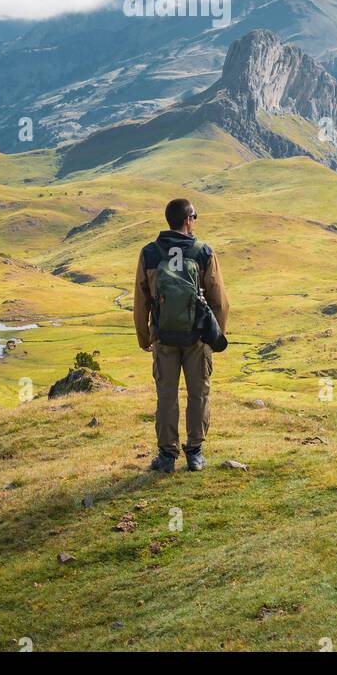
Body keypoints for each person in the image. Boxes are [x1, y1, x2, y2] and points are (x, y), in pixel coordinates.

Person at [133, 198, 229, 473]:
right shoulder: (203, 252)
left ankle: (166, 456)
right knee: (198, 394)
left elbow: (141, 300)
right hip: (196, 338)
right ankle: (195, 453)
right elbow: (219, 300)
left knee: (166, 395)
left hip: (163, 337)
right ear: (188, 220)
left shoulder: (149, 253)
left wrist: (144, 337)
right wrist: (215, 335)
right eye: (195, 217)